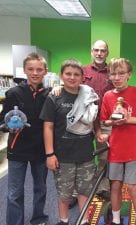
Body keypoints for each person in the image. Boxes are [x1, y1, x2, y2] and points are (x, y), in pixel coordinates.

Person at [40, 59, 99, 225]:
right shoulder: (54, 97)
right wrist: (50, 154)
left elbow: (95, 120)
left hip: (86, 154)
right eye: (68, 74)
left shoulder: (89, 95)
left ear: (82, 77)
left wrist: (100, 132)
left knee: (84, 191)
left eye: (76, 74)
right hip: (62, 155)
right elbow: (48, 127)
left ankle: (84, 220)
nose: (72, 77)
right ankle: (63, 220)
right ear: (61, 76)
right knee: (64, 194)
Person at [100, 58, 136, 225]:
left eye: (121, 73)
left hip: (134, 149)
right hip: (115, 149)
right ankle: (117, 220)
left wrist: (128, 119)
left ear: (129, 75)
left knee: (133, 187)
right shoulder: (108, 96)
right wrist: (112, 121)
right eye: (113, 73)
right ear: (109, 76)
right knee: (115, 186)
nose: (117, 77)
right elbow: (104, 121)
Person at [0, 53, 50, 225]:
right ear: (25, 70)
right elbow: (2, 120)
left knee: (41, 188)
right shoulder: (13, 93)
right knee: (15, 191)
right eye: (31, 69)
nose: (35, 73)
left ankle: (39, 218)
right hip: (18, 149)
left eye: (39, 69)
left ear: (45, 71)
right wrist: (8, 127)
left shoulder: (50, 95)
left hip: (41, 149)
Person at [82, 39, 114, 201]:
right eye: (96, 50)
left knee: (103, 155)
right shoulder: (83, 71)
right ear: (92, 51)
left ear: (107, 52)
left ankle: (102, 187)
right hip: (85, 121)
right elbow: (72, 88)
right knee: (82, 155)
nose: (99, 53)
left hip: (105, 120)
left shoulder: (113, 72)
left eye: (103, 50)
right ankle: (81, 189)